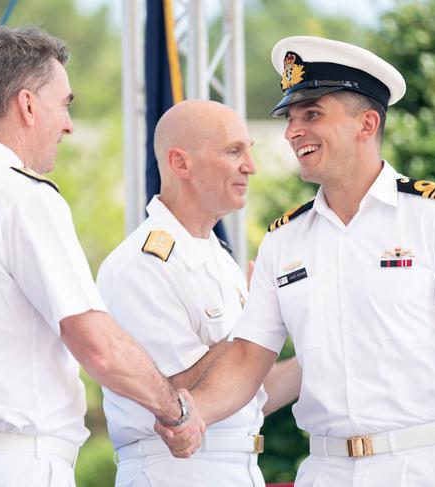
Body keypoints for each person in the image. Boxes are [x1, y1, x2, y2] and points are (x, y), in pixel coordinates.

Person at [159, 35, 435, 486]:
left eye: (312, 114)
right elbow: (249, 356)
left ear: (366, 124)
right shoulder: (283, 240)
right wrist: (193, 412)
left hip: (425, 466)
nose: (293, 131)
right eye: (290, 117)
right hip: (324, 469)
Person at [0, 25, 203, 486]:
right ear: (26, 104)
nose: (68, 124)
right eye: (63, 104)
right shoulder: (22, 197)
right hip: (15, 464)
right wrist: (176, 409)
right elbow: (96, 344)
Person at [97, 99, 301, 486]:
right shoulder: (143, 264)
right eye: (233, 150)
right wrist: (263, 314)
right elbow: (176, 396)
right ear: (180, 163)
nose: (250, 166)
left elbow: (248, 389)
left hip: (235, 467)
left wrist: (321, 345)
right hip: (174, 470)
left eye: (249, 151)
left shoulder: (219, 259)